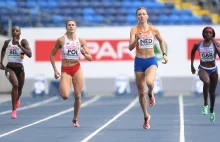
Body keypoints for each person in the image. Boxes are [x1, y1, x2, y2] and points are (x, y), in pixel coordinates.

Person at [128, 7, 168, 129]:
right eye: (139, 14)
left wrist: (164, 54)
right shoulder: (134, 30)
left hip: (151, 60)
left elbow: (161, 41)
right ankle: (146, 116)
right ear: (137, 17)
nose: (141, 16)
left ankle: (151, 94)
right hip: (139, 61)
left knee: (150, 83)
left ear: (147, 16)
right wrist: (137, 39)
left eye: (143, 14)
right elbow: (130, 47)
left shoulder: (154, 30)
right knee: (141, 92)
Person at [50, 20, 92, 127]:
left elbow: (90, 58)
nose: (71, 26)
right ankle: (64, 86)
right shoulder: (61, 40)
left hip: (77, 68)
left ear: (76, 27)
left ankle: (75, 119)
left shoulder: (81, 40)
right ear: (66, 27)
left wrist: (84, 53)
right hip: (65, 69)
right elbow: (51, 55)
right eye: (69, 25)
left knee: (78, 95)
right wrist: (55, 70)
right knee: (65, 96)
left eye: (73, 25)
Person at [0, 26, 32, 119]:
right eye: (13, 31)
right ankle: (14, 110)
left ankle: (17, 98)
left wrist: (19, 46)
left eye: (17, 31)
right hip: (9, 68)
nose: (15, 32)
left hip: (20, 69)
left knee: (20, 89)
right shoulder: (7, 42)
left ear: (20, 32)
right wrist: (1, 61)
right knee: (15, 85)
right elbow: (3, 50)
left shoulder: (23, 42)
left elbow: (29, 54)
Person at [191, 26, 220, 122]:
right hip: (203, 68)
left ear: (213, 34)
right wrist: (192, 66)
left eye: (210, 33)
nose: (208, 34)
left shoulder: (216, 44)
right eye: (206, 33)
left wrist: (215, 44)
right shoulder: (198, 44)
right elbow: (193, 52)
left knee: (212, 92)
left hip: (213, 70)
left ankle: (212, 110)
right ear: (203, 34)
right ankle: (205, 105)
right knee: (206, 82)